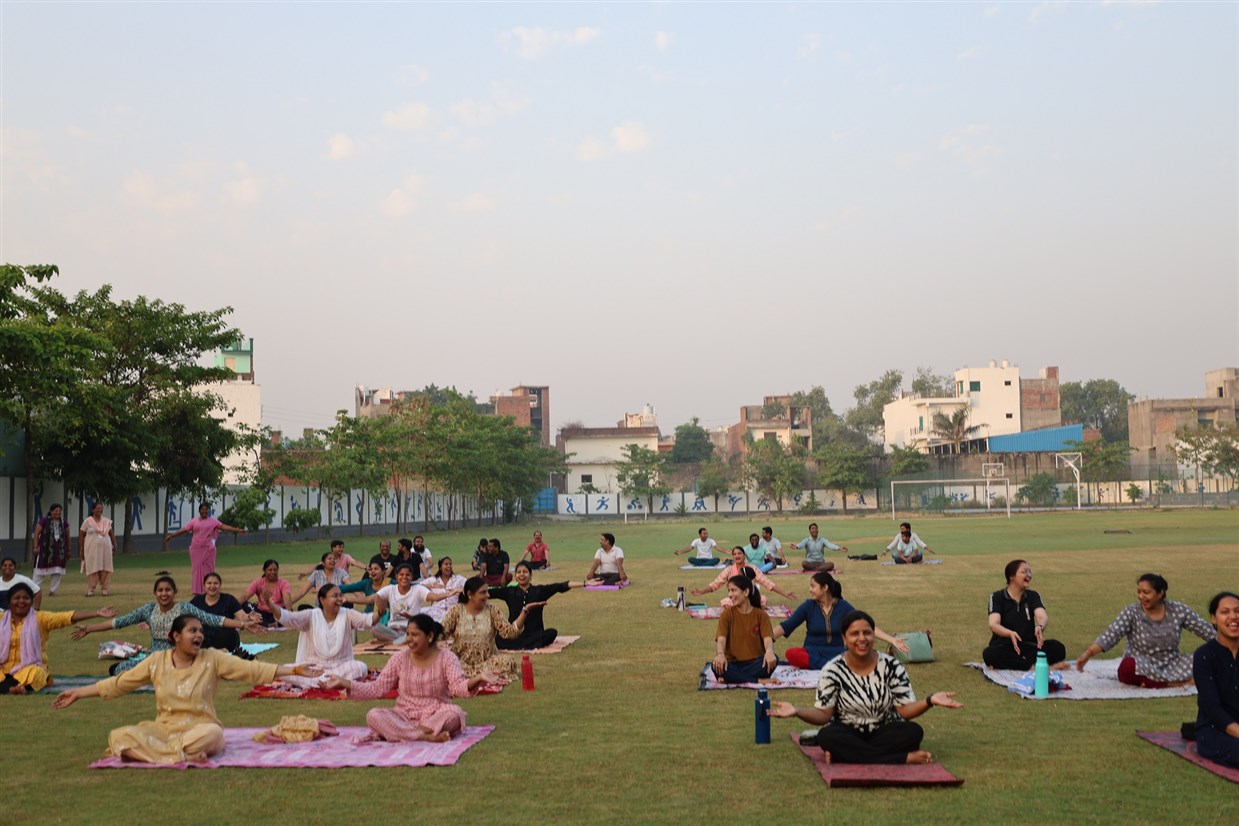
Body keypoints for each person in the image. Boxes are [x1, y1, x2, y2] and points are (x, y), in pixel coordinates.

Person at [53, 614, 321, 763]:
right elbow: (119, 684)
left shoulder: (212, 658)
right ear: (176, 636)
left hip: (199, 730)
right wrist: (78, 692)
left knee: (213, 734)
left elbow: (251, 670)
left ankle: (159, 755)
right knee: (118, 735)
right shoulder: (156, 661)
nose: (199, 635)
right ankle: (181, 756)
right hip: (165, 730)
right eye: (192, 631)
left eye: (200, 631)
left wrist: (293, 670)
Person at [770, 609, 963, 764]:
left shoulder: (891, 666)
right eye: (855, 634)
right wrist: (797, 711)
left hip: (884, 730)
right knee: (828, 736)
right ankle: (901, 758)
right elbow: (824, 715)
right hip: (847, 731)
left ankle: (847, 755)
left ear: (873, 636)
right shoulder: (832, 669)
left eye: (867, 633)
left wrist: (930, 700)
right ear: (844, 639)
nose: (862, 638)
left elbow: (904, 711)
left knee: (913, 732)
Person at [324, 613, 497, 743]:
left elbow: (458, 687)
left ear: (430, 636)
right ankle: (424, 736)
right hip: (403, 715)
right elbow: (377, 688)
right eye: (407, 634)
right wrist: (345, 683)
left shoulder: (447, 657)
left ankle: (407, 733)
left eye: (414, 634)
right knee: (373, 715)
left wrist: (478, 678)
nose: (409, 639)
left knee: (455, 714)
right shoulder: (400, 658)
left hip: (436, 714)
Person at [73, 576, 258, 673]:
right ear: (155, 593)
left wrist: (243, 624)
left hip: (179, 654)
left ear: (174, 591)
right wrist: (89, 628)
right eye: (160, 590)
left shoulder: (184, 607)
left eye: (168, 590)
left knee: (188, 671)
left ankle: (228, 659)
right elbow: (118, 622)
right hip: (155, 655)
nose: (164, 594)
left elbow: (213, 619)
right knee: (118, 670)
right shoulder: (148, 610)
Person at [1074, 573, 1214, 688]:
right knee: (1127, 667)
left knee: (1206, 657)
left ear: (1160, 593)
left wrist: (1226, 646)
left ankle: (1155, 683)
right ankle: (1175, 684)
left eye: (1146, 592)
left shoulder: (1178, 610)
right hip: (1141, 664)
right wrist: (1088, 654)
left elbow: (1205, 630)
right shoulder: (1132, 611)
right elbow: (1110, 635)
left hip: (1172, 663)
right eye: (1139, 592)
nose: (1141, 596)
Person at [773, 571, 908, 669]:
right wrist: (765, 641)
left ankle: (835, 665)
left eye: (813, 586)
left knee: (862, 654)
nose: (810, 590)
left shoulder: (843, 607)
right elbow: (786, 626)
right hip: (812, 652)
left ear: (825, 588)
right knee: (792, 654)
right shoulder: (808, 606)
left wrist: (892, 640)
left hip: (838, 652)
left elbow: (865, 626)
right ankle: (836, 667)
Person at [1, 583, 115, 694]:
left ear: (31, 602)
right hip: (3, 667)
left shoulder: (40, 618)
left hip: (29, 668)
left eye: (26, 598)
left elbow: (66, 617)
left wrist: (96, 613)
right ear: (9, 602)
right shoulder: (1, 618)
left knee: (36, 674)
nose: (21, 601)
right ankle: (13, 688)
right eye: (17, 598)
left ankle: (7, 687)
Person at [268, 583, 377, 687]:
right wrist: (270, 605)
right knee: (287, 669)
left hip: (341, 667)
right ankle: (335, 682)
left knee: (360, 668)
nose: (339, 599)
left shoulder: (347, 614)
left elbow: (368, 620)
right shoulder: (311, 615)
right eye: (335, 596)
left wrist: (379, 611)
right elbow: (288, 618)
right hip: (313, 670)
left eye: (340, 595)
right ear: (322, 600)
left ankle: (321, 683)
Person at [440, 577, 535, 680]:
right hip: (461, 662)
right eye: (483, 593)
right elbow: (440, 634)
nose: (488, 595)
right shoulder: (456, 611)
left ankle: (471, 676)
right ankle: (477, 675)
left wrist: (525, 612)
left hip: (488, 662)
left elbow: (510, 633)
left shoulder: (492, 610)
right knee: (444, 663)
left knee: (508, 663)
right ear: (470, 594)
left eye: (487, 592)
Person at [982, 559, 1067, 669]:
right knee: (989, 654)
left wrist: (1040, 626)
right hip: (1004, 646)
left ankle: (1023, 664)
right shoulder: (997, 597)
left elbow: (1042, 616)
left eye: (1029, 571)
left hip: (1028, 646)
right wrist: (1009, 633)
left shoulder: (1033, 595)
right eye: (1024, 572)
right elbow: (993, 624)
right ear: (1011, 576)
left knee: (1057, 648)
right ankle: (1032, 666)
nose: (1029, 575)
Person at [490, 561, 585, 650]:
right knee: (497, 636)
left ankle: (519, 645)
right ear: (515, 576)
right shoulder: (509, 591)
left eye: (525, 572)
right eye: (518, 572)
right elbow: (489, 593)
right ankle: (526, 645)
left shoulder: (539, 591)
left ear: (530, 575)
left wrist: (585, 583)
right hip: (514, 634)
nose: (522, 574)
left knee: (552, 633)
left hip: (534, 634)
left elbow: (561, 586)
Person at [1193, 591, 1239, 767]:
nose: (1233, 617)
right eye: (1225, 612)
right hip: (1215, 728)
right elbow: (1211, 708)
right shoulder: (1204, 655)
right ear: (1214, 618)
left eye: (1237, 611)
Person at [163, 503, 247, 595]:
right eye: (203, 509)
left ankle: (209, 588)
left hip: (208, 549)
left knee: (209, 569)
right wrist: (172, 535)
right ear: (199, 511)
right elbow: (183, 530)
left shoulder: (213, 522)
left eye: (206, 509)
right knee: (196, 570)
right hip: (196, 549)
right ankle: (197, 590)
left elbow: (225, 527)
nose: (204, 511)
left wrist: (238, 530)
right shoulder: (194, 521)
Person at [711, 574, 777, 684]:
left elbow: (768, 640)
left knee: (774, 659)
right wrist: (720, 655)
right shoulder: (726, 615)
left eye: (733, 590)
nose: (730, 595)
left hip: (755, 664)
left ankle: (733, 678)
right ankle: (758, 680)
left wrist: (769, 651)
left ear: (746, 592)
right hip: (732, 664)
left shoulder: (761, 615)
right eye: (729, 591)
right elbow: (721, 640)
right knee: (715, 665)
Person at [369, 563, 456, 642]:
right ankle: (401, 640)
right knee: (374, 629)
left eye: (407, 575)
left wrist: (450, 593)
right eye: (401, 574)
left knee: (422, 631)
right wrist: (380, 606)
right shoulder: (391, 589)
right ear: (396, 576)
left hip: (412, 628)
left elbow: (435, 597)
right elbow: (375, 596)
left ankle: (402, 640)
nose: (404, 577)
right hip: (393, 628)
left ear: (411, 577)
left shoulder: (418, 589)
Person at [692, 546, 797, 606]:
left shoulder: (752, 568)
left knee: (762, 600)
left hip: (750, 598)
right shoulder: (729, 570)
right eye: (734, 554)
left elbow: (767, 583)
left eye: (739, 553)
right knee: (726, 603)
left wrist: (785, 594)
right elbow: (715, 584)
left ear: (744, 555)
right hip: (735, 599)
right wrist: (702, 591)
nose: (737, 556)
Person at [189, 572, 249, 655]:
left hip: (223, 635)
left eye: (215, 583)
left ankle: (210, 650)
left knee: (227, 634)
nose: (212, 586)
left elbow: (242, 616)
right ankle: (212, 650)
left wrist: (249, 616)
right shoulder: (197, 600)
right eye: (209, 583)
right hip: (203, 635)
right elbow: (186, 619)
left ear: (220, 585)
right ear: (204, 586)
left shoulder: (229, 599)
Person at [32, 503, 71, 597]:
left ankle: (53, 591)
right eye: (56, 511)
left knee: (58, 571)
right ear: (51, 511)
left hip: (59, 552)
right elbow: (36, 533)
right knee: (40, 571)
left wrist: (69, 550)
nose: (58, 512)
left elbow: (67, 536)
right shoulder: (44, 521)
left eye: (60, 511)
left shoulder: (63, 522)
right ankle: (33, 590)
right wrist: (35, 547)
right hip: (45, 551)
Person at [79, 502, 116, 597]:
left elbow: (111, 533)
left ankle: (105, 589)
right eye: (98, 508)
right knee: (93, 567)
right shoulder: (87, 521)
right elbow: (82, 535)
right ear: (93, 510)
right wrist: (81, 549)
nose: (100, 510)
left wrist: (114, 544)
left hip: (105, 549)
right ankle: (91, 590)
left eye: (101, 508)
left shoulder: (106, 521)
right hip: (92, 549)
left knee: (106, 567)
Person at [241, 560, 292, 626]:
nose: (273, 572)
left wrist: (288, 615)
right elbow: (245, 597)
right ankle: (269, 624)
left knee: (287, 612)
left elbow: (287, 599)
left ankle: (266, 623)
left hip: (277, 612)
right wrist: (232, 608)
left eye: (275, 570)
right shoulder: (258, 582)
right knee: (244, 605)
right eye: (270, 570)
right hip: (261, 613)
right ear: (264, 571)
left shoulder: (283, 583)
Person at [420, 557, 468, 622]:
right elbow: (416, 586)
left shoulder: (458, 579)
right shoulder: (433, 580)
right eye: (446, 564)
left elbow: (472, 587)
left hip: (454, 610)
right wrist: (431, 585)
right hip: (436, 611)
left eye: (450, 564)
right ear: (440, 567)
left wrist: (459, 590)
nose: (449, 566)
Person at [297, 539, 365, 580]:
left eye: (342, 547)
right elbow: (317, 567)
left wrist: (366, 568)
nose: (341, 549)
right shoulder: (328, 558)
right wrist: (305, 574)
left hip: (344, 581)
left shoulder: (346, 557)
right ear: (333, 548)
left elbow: (355, 562)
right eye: (339, 547)